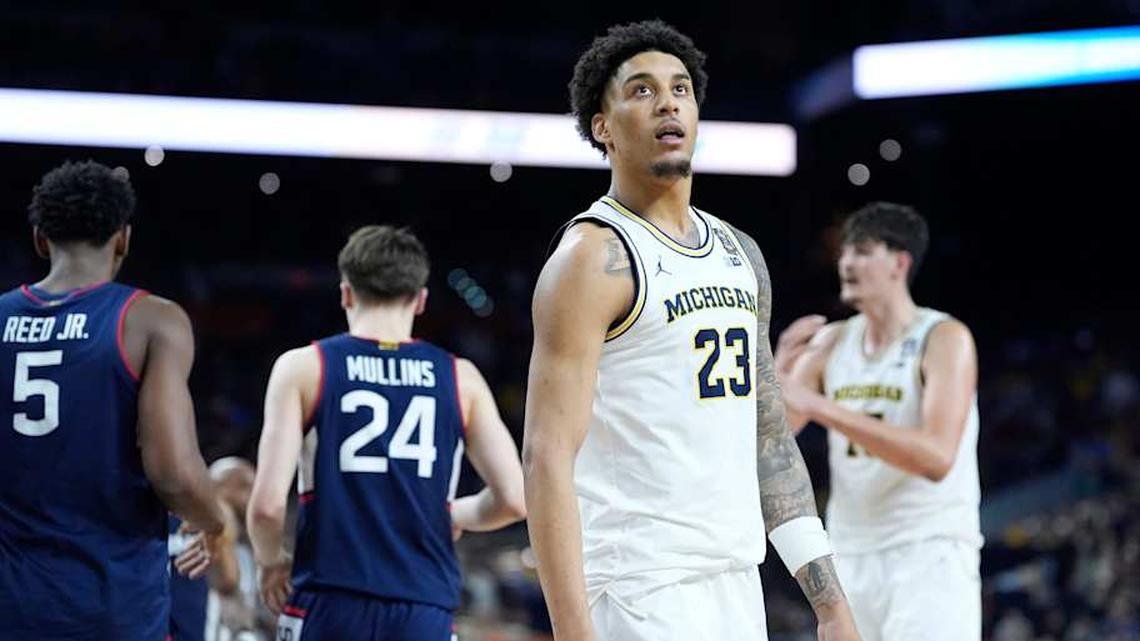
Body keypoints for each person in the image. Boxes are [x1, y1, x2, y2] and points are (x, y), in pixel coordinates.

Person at [523, 20, 861, 641]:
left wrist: (831, 602)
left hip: (733, 582)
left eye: (680, 88)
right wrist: (572, 632)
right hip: (637, 588)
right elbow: (546, 456)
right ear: (603, 127)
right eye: (643, 91)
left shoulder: (741, 253)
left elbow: (769, 438)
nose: (669, 101)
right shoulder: (591, 258)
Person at [248, 225, 526, 640]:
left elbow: (267, 506)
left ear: (345, 292)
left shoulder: (304, 367)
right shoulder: (459, 377)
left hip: (330, 602)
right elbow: (515, 499)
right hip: (423, 609)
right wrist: (455, 513)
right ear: (420, 300)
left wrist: (271, 562)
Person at [0, 160, 228, 641]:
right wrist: (213, 521)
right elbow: (173, 473)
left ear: (41, 238)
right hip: (111, 605)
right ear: (123, 238)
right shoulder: (151, 320)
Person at [775, 202, 982, 641]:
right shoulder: (832, 341)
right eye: (845, 252)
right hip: (848, 552)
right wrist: (774, 377)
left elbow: (936, 456)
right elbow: (777, 433)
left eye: (863, 251)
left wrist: (818, 404)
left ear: (899, 263)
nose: (847, 262)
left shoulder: (944, 338)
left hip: (929, 551)